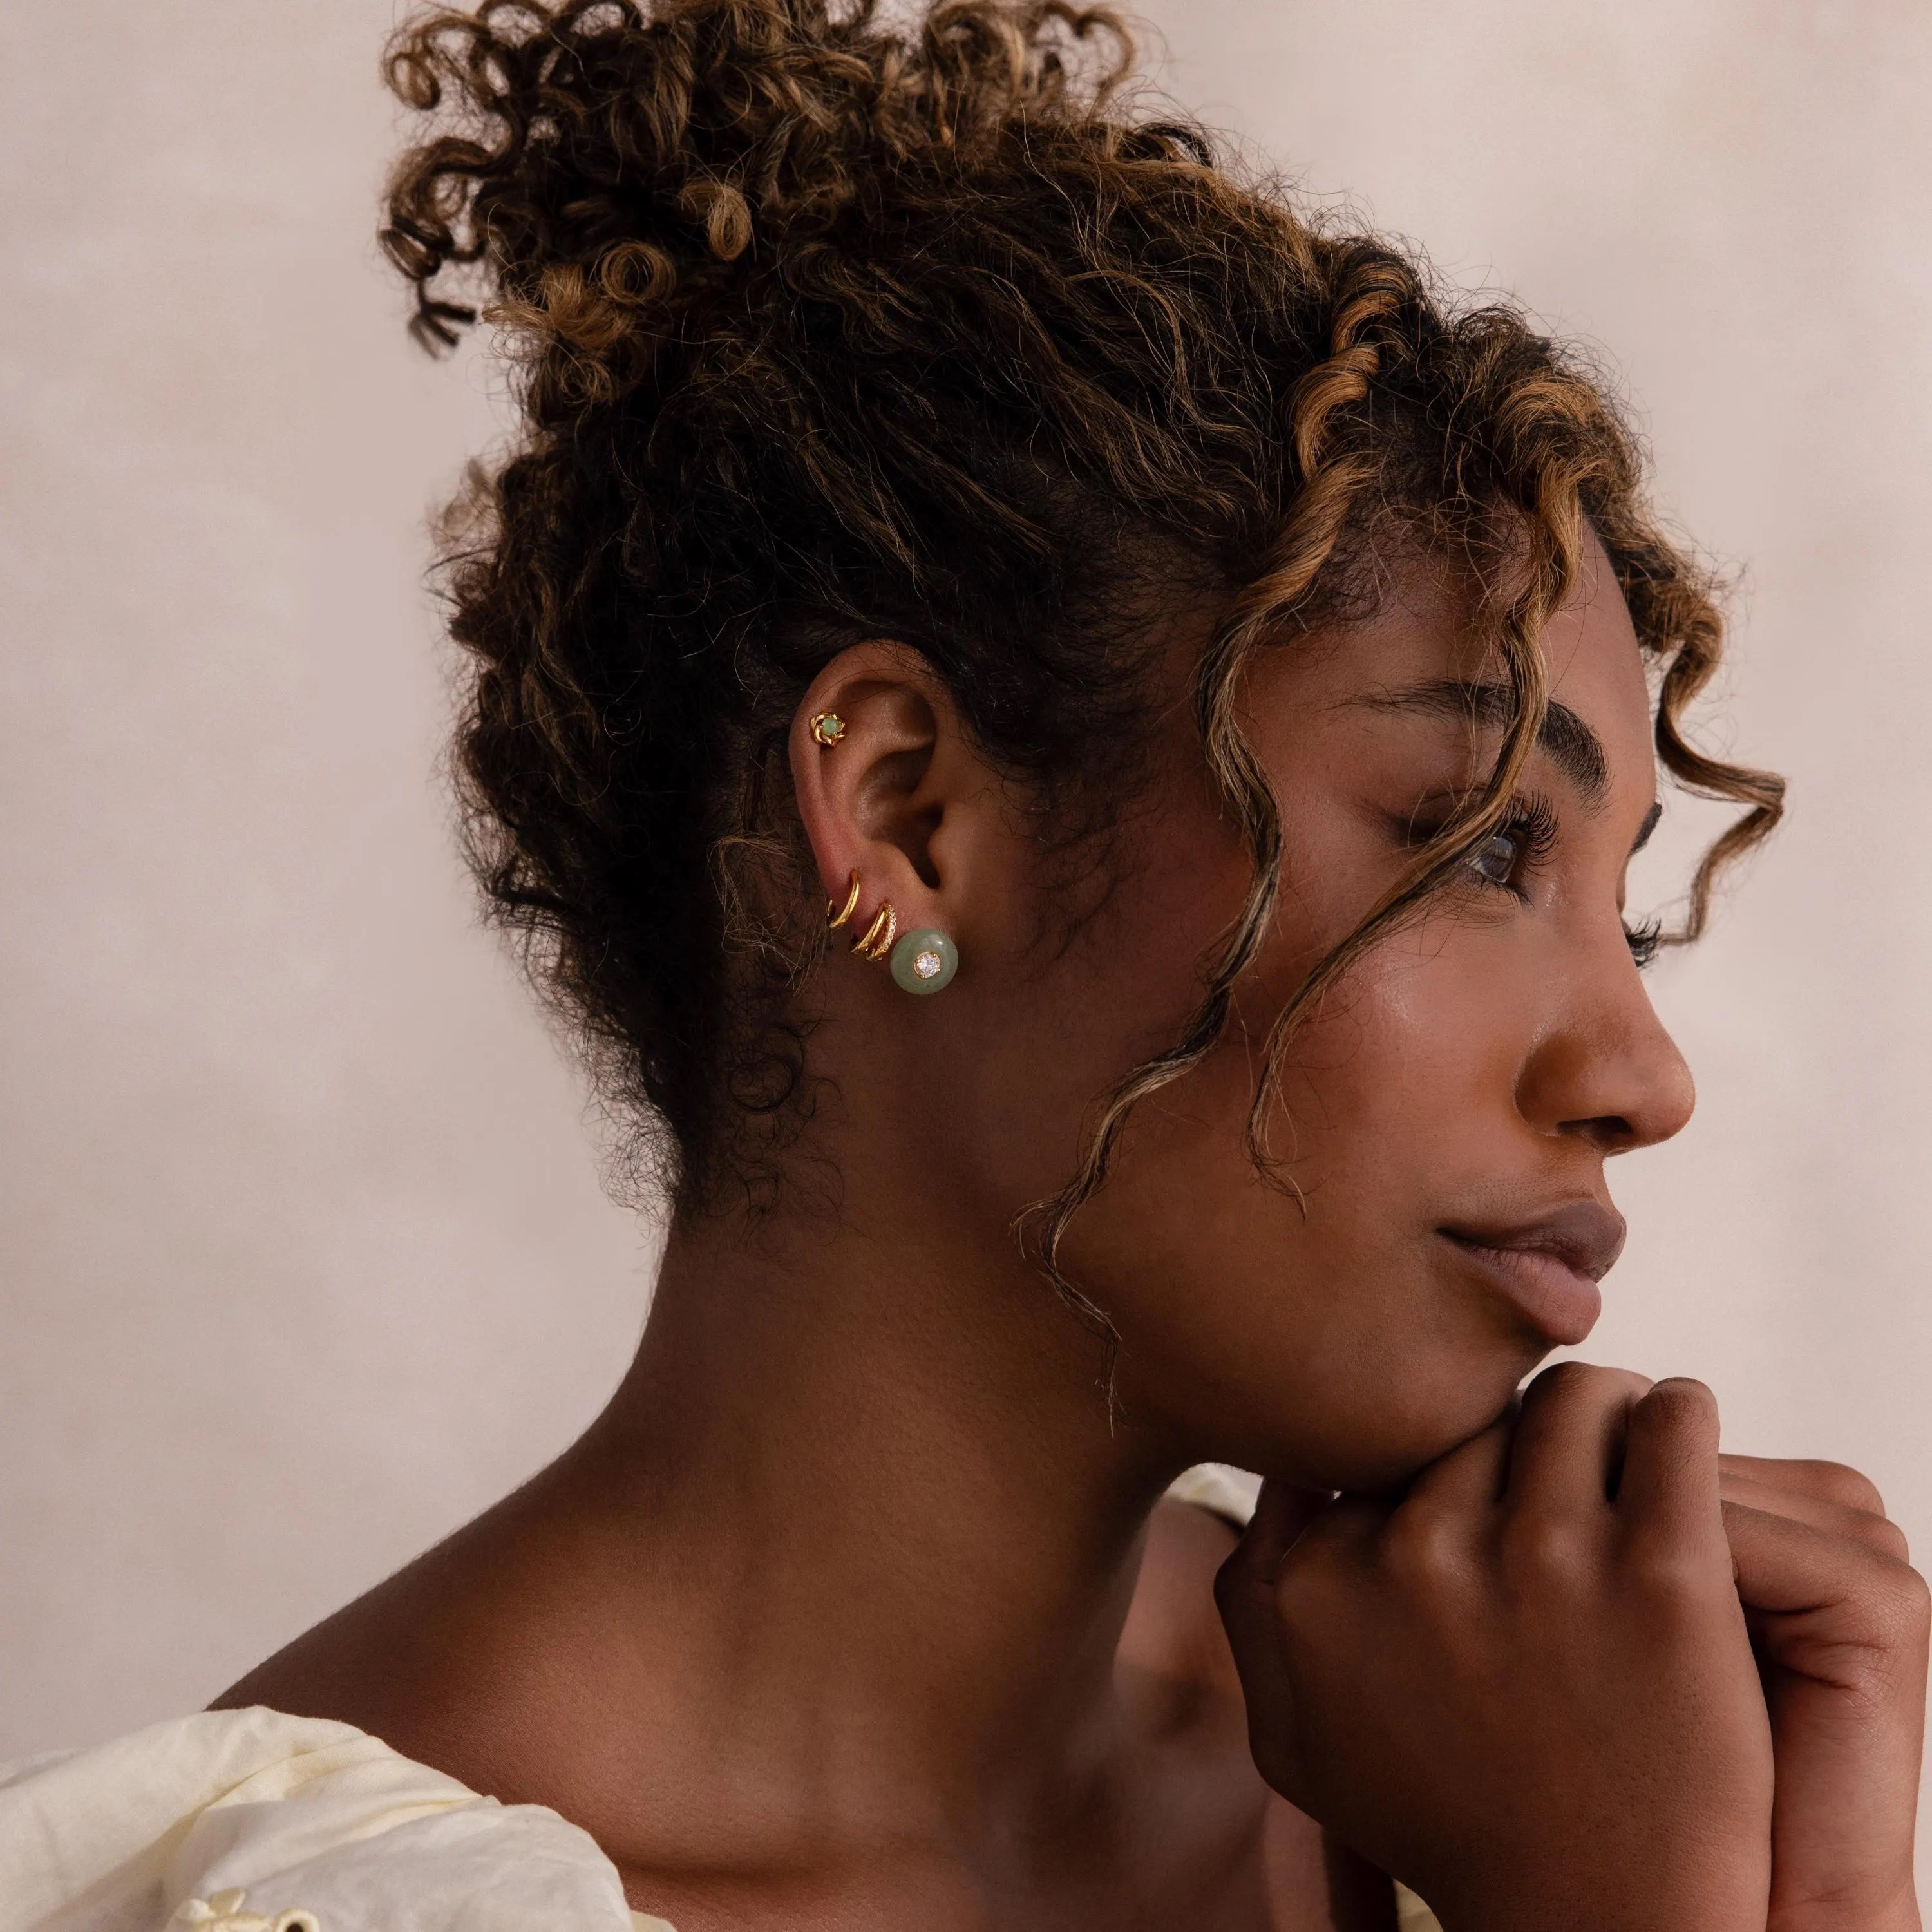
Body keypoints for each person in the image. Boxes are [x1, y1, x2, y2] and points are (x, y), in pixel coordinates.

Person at [3, 1, 1925, 1927]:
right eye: (1480, 840)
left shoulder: (1529, 1728)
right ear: (913, 821)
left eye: (1625, 894)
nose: (1646, 1077)